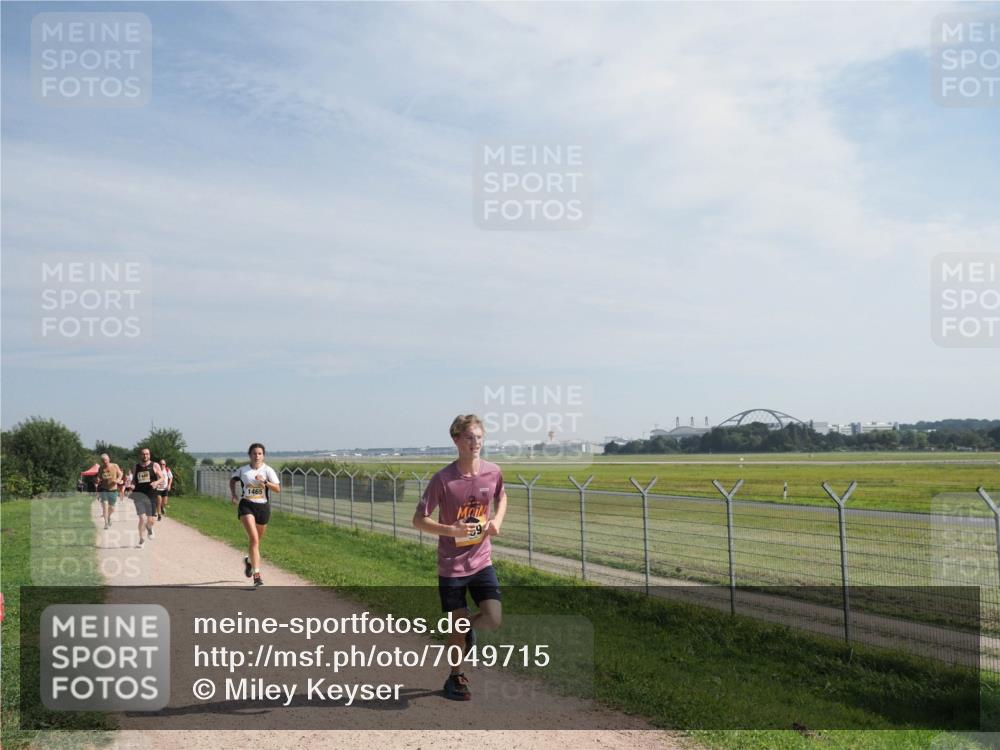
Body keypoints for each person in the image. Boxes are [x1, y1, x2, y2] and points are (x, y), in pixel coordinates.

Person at [412, 414, 507, 701]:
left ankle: (469, 633)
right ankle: (455, 675)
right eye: (469, 437)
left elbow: (502, 497)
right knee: (457, 624)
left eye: (479, 437)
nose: (475, 442)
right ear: (456, 440)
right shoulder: (444, 479)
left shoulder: (492, 472)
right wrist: (449, 529)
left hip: (481, 560)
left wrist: (497, 521)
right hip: (452, 565)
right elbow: (418, 519)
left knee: (492, 617)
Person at [229, 443, 280, 587]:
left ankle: (249, 561)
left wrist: (264, 481)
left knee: (256, 542)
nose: (257, 456)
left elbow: (277, 489)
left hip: (263, 507)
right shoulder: (243, 470)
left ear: (263, 455)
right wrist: (233, 495)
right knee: (254, 539)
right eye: (254, 453)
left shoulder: (268, 470)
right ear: (249, 455)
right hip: (247, 505)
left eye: (259, 454)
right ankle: (257, 576)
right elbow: (232, 481)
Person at [132, 447, 163, 548]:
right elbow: (133, 480)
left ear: (149, 455)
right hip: (139, 495)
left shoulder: (155, 465)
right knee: (142, 518)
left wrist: (156, 482)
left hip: (151, 495)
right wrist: (132, 485)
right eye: (143, 454)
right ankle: (141, 540)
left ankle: (149, 528)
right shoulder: (136, 466)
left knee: (150, 520)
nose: (145, 456)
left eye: (147, 454)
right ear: (140, 455)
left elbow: (162, 477)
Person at [96, 454, 123, 530]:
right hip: (104, 489)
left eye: (106, 460)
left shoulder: (115, 466)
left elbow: (120, 474)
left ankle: (108, 516)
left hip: (113, 489)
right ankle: (106, 523)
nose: (105, 462)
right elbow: (99, 476)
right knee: (105, 504)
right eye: (103, 460)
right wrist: (98, 479)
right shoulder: (101, 468)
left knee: (112, 508)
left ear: (109, 459)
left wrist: (117, 480)